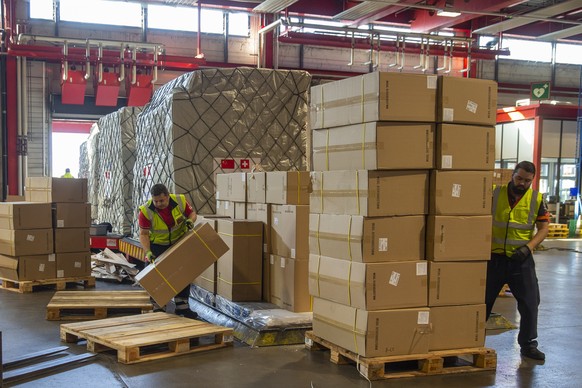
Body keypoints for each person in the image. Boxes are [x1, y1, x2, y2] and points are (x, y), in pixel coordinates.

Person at [485, 161, 550, 361]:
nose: (522, 183)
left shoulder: (536, 199)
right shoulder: (494, 193)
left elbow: (544, 229)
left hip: (521, 260)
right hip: (494, 258)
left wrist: (528, 247)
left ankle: (528, 345)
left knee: (530, 302)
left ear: (532, 180)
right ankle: (471, 340)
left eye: (527, 180)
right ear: (512, 175)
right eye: (519, 178)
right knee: (481, 303)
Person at [138, 183, 198, 317]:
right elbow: (143, 234)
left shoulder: (180, 200)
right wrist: (148, 252)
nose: (158, 203)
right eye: (156, 201)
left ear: (168, 196)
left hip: (178, 241)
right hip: (158, 246)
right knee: (156, 277)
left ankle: (182, 306)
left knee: (183, 273)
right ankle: (158, 306)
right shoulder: (146, 211)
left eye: (161, 200)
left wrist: (190, 221)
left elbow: (192, 214)